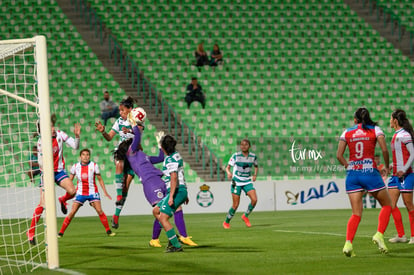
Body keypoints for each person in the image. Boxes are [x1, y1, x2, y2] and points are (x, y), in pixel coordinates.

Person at [116, 122, 197, 247]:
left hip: (161, 181)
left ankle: (180, 236)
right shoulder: (131, 153)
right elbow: (137, 137)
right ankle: (163, 239)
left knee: (175, 208)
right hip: (150, 185)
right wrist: (135, 125)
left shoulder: (143, 156)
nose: (139, 144)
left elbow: (160, 158)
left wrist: (160, 145)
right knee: (160, 212)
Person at [336, 107, 392, 257]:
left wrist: (350, 167)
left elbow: (339, 156)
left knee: (356, 214)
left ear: (355, 120)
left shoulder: (347, 132)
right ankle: (379, 234)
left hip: (353, 174)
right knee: (387, 205)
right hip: (370, 172)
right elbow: (385, 150)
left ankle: (348, 244)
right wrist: (386, 167)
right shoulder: (375, 129)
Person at [27, 117, 81, 245]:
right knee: (43, 204)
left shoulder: (60, 134)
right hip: (46, 173)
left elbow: (75, 146)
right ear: (43, 130)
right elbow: (40, 162)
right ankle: (31, 232)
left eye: (52, 126)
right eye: (49, 127)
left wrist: (77, 136)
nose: (52, 129)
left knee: (73, 191)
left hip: (59, 171)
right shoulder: (41, 142)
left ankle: (63, 199)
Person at [95, 96, 135, 229]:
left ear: (130, 110)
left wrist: (129, 130)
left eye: (123, 110)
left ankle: (116, 216)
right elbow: (109, 138)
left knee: (126, 189)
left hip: (133, 154)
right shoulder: (119, 121)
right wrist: (103, 132)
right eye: (120, 110)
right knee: (119, 162)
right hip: (122, 150)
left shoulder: (135, 120)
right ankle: (118, 195)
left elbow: (139, 132)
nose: (121, 113)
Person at [58, 149, 115, 237]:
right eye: (83, 155)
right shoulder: (75, 166)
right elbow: (69, 181)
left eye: (87, 155)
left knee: (99, 210)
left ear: (89, 156)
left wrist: (105, 192)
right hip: (80, 193)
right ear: (80, 156)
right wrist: (67, 195)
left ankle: (108, 231)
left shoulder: (94, 165)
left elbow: (100, 179)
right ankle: (61, 233)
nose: (85, 156)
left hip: (92, 192)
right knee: (72, 212)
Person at [153, 135, 188, 252]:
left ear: (163, 148)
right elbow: (181, 175)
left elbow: (174, 177)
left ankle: (176, 245)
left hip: (176, 191)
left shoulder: (170, 159)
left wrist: (171, 196)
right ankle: (172, 236)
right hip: (180, 190)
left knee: (163, 218)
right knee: (156, 211)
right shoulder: (176, 155)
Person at [387, 109, 414, 244]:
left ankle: (413, 236)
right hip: (395, 175)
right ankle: (401, 235)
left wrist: (403, 168)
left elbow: (412, 154)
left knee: (409, 205)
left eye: (391, 118)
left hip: (406, 175)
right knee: (391, 205)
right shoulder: (396, 135)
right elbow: (400, 155)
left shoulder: (404, 135)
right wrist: (393, 164)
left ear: (395, 121)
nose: (389, 121)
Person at [223, 139, 258, 229]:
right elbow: (227, 167)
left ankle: (245, 216)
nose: (243, 146)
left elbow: (256, 166)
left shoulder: (253, 157)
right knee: (235, 205)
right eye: (242, 145)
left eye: (245, 145)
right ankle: (226, 222)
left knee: (254, 200)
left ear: (249, 146)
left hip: (247, 181)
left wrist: (254, 175)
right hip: (236, 182)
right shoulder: (236, 156)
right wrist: (228, 173)